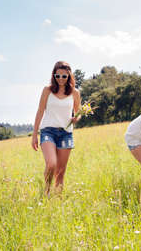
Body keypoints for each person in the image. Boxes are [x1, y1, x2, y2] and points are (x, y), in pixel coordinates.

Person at [31, 61, 81, 195]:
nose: (60, 79)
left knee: (60, 171)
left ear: (69, 76)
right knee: (51, 164)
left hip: (66, 133)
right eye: (57, 76)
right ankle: (46, 191)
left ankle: (57, 200)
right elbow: (40, 111)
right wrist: (34, 135)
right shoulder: (47, 90)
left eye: (64, 76)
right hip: (48, 131)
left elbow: (78, 113)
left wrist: (76, 119)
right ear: (53, 75)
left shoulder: (75, 93)